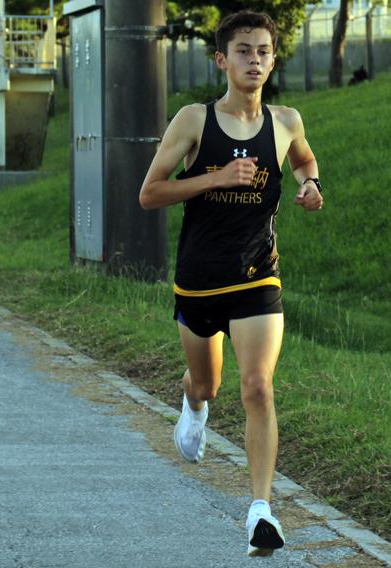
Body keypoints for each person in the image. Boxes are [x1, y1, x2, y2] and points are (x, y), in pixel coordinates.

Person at [138, 10, 323, 558]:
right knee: (208, 386)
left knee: (258, 387)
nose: (255, 60)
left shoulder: (286, 120)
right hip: (199, 281)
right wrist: (215, 177)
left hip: (257, 277)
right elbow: (150, 193)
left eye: (264, 51)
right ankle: (194, 408)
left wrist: (310, 185)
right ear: (222, 59)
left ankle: (260, 511)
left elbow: (305, 159)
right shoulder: (194, 121)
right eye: (244, 50)